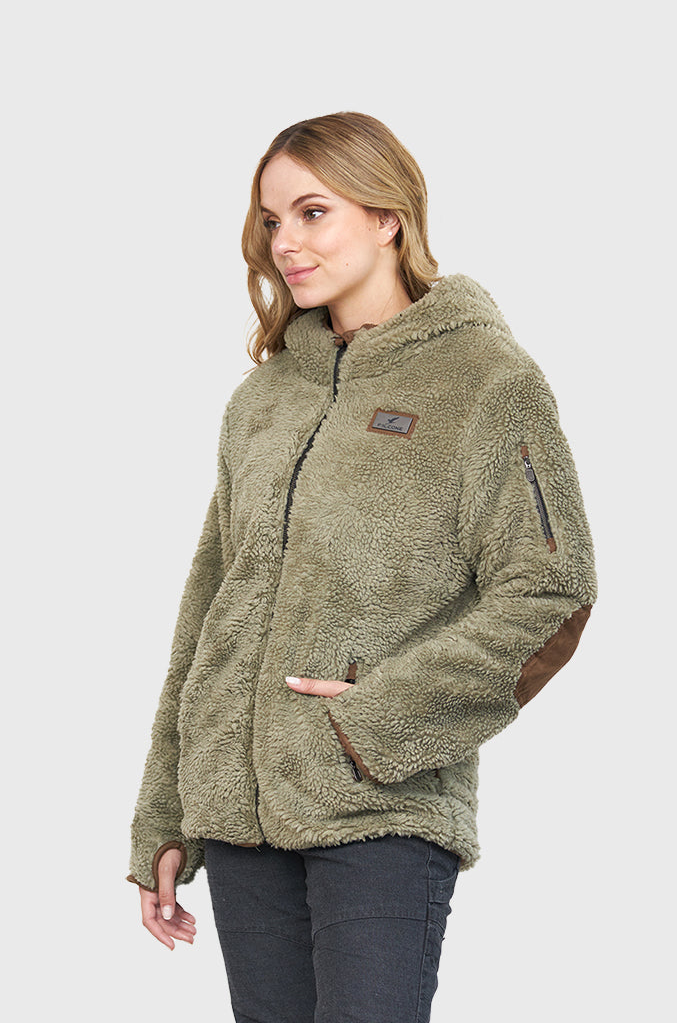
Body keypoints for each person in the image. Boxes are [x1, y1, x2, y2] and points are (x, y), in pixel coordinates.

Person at [127, 110, 598, 1023]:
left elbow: (550, 590)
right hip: (241, 819)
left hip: (380, 810)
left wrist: (377, 721)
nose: (285, 243)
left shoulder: (485, 380)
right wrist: (165, 815)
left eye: (313, 213)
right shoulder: (265, 398)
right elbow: (210, 607)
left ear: (388, 216)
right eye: (272, 220)